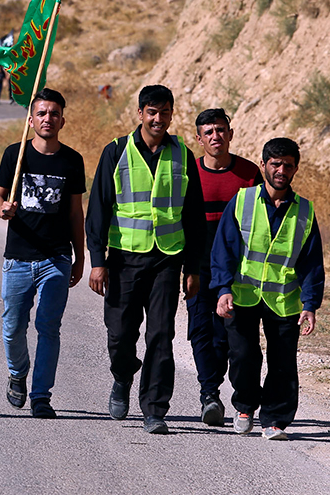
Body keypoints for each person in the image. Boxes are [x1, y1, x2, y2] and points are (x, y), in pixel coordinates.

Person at [86, 84, 205, 435]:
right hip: (124, 257)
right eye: (152, 112)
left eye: (165, 112)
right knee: (120, 333)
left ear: (171, 115)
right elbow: (98, 209)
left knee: (161, 334)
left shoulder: (182, 153)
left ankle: (154, 409)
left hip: (167, 258)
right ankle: (122, 376)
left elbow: (194, 215)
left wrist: (193, 267)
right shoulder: (116, 151)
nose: (158, 119)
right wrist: (97, 260)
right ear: (140, 114)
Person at [212, 137, 324, 441]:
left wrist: (310, 304)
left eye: (288, 165)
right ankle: (245, 406)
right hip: (243, 295)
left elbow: (312, 262)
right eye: (275, 163)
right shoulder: (243, 201)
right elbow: (223, 249)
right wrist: (223, 289)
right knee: (244, 355)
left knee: (283, 362)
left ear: (296, 169)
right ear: (263, 165)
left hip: (284, 299)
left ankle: (275, 419)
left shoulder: (305, 211)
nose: (281, 170)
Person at [0, 88, 86, 419]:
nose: (48, 119)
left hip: (56, 258)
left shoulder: (72, 160)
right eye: (42, 113)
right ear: (30, 120)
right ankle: (18, 373)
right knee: (13, 327)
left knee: (49, 326)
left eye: (54, 113)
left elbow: (76, 212)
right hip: (18, 257)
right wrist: (2, 210)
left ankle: (41, 395)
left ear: (63, 119)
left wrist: (80, 257)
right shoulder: (14, 154)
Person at [188, 108, 262, 426]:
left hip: (237, 266)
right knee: (200, 330)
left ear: (230, 134)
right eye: (209, 132)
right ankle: (209, 395)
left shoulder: (248, 173)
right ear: (199, 138)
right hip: (198, 262)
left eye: (221, 130)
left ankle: (239, 398)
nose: (216, 136)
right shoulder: (189, 174)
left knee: (230, 336)